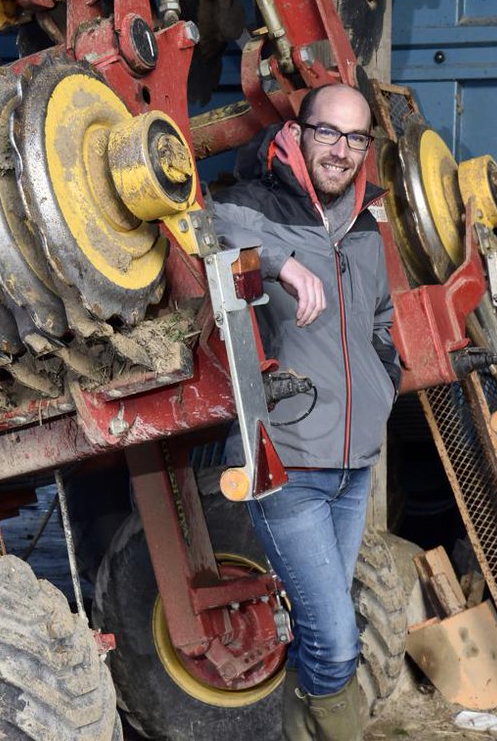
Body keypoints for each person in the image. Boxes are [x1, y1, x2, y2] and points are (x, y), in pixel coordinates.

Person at [212, 83, 399, 741]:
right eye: (328, 132)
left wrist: (385, 382)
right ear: (298, 132)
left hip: (352, 467)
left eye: (356, 138)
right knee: (337, 641)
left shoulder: (370, 227)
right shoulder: (253, 201)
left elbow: (382, 322)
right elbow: (207, 226)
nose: (341, 150)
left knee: (322, 631)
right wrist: (284, 263)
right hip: (285, 463)